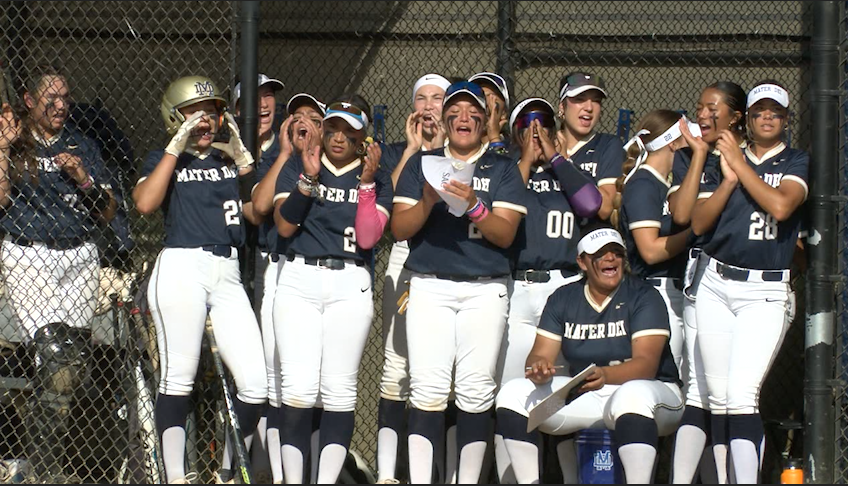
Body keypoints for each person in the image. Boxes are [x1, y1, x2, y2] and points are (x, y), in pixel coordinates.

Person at [132, 75, 267, 484]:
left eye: (211, 112)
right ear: (175, 118)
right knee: (178, 377)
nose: (205, 120)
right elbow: (144, 203)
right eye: (195, 113)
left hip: (226, 273)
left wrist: (246, 165)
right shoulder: (164, 157)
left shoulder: (228, 161)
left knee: (256, 385)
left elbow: (256, 213)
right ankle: (175, 477)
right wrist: (176, 147)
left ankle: (227, 473)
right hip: (181, 267)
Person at [392, 81, 528, 484]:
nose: (464, 117)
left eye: (473, 111)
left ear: (485, 120)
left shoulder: (502, 167)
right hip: (430, 284)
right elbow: (399, 229)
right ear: (445, 118)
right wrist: (428, 202)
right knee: (427, 390)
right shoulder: (423, 163)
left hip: (485, 288)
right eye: (456, 110)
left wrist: (473, 205)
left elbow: (505, 235)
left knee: (475, 391)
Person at [495, 223, 684, 484]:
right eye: (600, 254)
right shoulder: (564, 297)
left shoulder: (644, 296)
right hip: (587, 394)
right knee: (513, 395)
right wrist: (538, 369)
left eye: (616, 253)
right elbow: (540, 355)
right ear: (582, 262)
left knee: (632, 395)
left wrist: (605, 374)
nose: (610, 258)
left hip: (656, 398)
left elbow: (646, 366)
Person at [0, 64, 118, 482]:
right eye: (51, 97)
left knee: (68, 366)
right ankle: (46, 471)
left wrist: (84, 179)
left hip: (80, 257)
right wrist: (3, 147)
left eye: (66, 97)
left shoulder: (82, 145)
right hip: (30, 256)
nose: (61, 105)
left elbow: (107, 212)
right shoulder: (15, 145)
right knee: (54, 355)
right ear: (30, 101)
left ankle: (35, 464)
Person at [690, 81, 807, 484]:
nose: (768, 117)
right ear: (748, 119)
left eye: (776, 111)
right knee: (719, 399)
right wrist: (726, 180)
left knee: (742, 395)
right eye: (760, 111)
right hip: (716, 285)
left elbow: (781, 204)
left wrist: (739, 167)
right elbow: (699, 224)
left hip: (765, 290)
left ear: (786, 119)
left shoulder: (795, 160)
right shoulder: (719, 160)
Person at [272, 94, 392, 484]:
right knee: (298, 390)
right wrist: (307, 180)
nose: (339, 137)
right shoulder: (300, 162)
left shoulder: (376, 172)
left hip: (349, 282)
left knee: (339, 390)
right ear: (324, 129)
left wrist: (369, 184)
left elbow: (370, 236)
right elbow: (285, 226)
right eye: (334, 127)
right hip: (298, 279)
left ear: (363, 137)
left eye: (350, 130)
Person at [493, 97, 602, 483]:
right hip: (521, 289)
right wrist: (525, 158)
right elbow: (501, 204)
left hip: (565, 289)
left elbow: (592, 203)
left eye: (542, 124)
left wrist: (554, 156)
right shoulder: (506, 170)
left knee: (566, 393)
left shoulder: (565, 170)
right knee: (512, 395)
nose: (535, 132)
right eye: (527, 124)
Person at [667, 81, 747, 484]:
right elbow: (684, 216)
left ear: (736, 116)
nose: (702, 114)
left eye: (712, 108)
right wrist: (699, 155)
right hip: (702, 277)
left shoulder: (752, 157)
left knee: (740, 394)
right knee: (699, 389)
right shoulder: (687, 157)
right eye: (699, 106)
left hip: (748, 284)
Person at [377, 73, 450, 485]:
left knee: (437, 375)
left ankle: (439, 473)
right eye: (420, 98)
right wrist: (410, 150)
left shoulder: (457, 148)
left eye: (436, 98)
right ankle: (388, 474)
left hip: (445, 258)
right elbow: (389, 209)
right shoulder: (393, 152)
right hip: (405, 256)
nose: (427, 106)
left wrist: (437, 149)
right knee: (396, 365)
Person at [252, 90, 325, 485]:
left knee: (318, 385)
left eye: (313, 117)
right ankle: (280, 475)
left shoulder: (334, 161)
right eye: (296, 115)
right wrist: (283, 155)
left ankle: (311, 473)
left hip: (322, 277)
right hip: (279, 267)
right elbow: (260, 207)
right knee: (277, 379)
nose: (303, 123)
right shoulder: (276, 158)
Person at [221, 72, 285, 484]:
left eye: (269, 97)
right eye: (253, 99)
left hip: (273, 262)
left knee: (271, 375)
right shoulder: (225, 149)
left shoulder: (287, 146)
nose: (263, 105)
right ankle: (231, 466)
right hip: (231, 268)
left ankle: (265, 470)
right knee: (244, 378)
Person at [612, 110, 699, 385]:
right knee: (665, 384)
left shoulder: (669, 185)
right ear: (673, 142)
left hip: (678, 292)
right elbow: (649, 250)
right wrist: (697, 232)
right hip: (657, 292)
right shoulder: (643, 185)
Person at [554, 72, 625, 221]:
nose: (589, 107)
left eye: (596, 101)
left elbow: (605, 208)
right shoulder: (546, 146)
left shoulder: (608, 145)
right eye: (580, 99)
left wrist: (564, 162)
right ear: (562, 107)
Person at [469, 72, 510, 154]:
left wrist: (495, 139)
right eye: (479, 97)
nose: (484, 103)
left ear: (503, 113)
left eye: (491, 97)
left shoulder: (513, 149)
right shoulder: (456, 144)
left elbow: (503, 164)